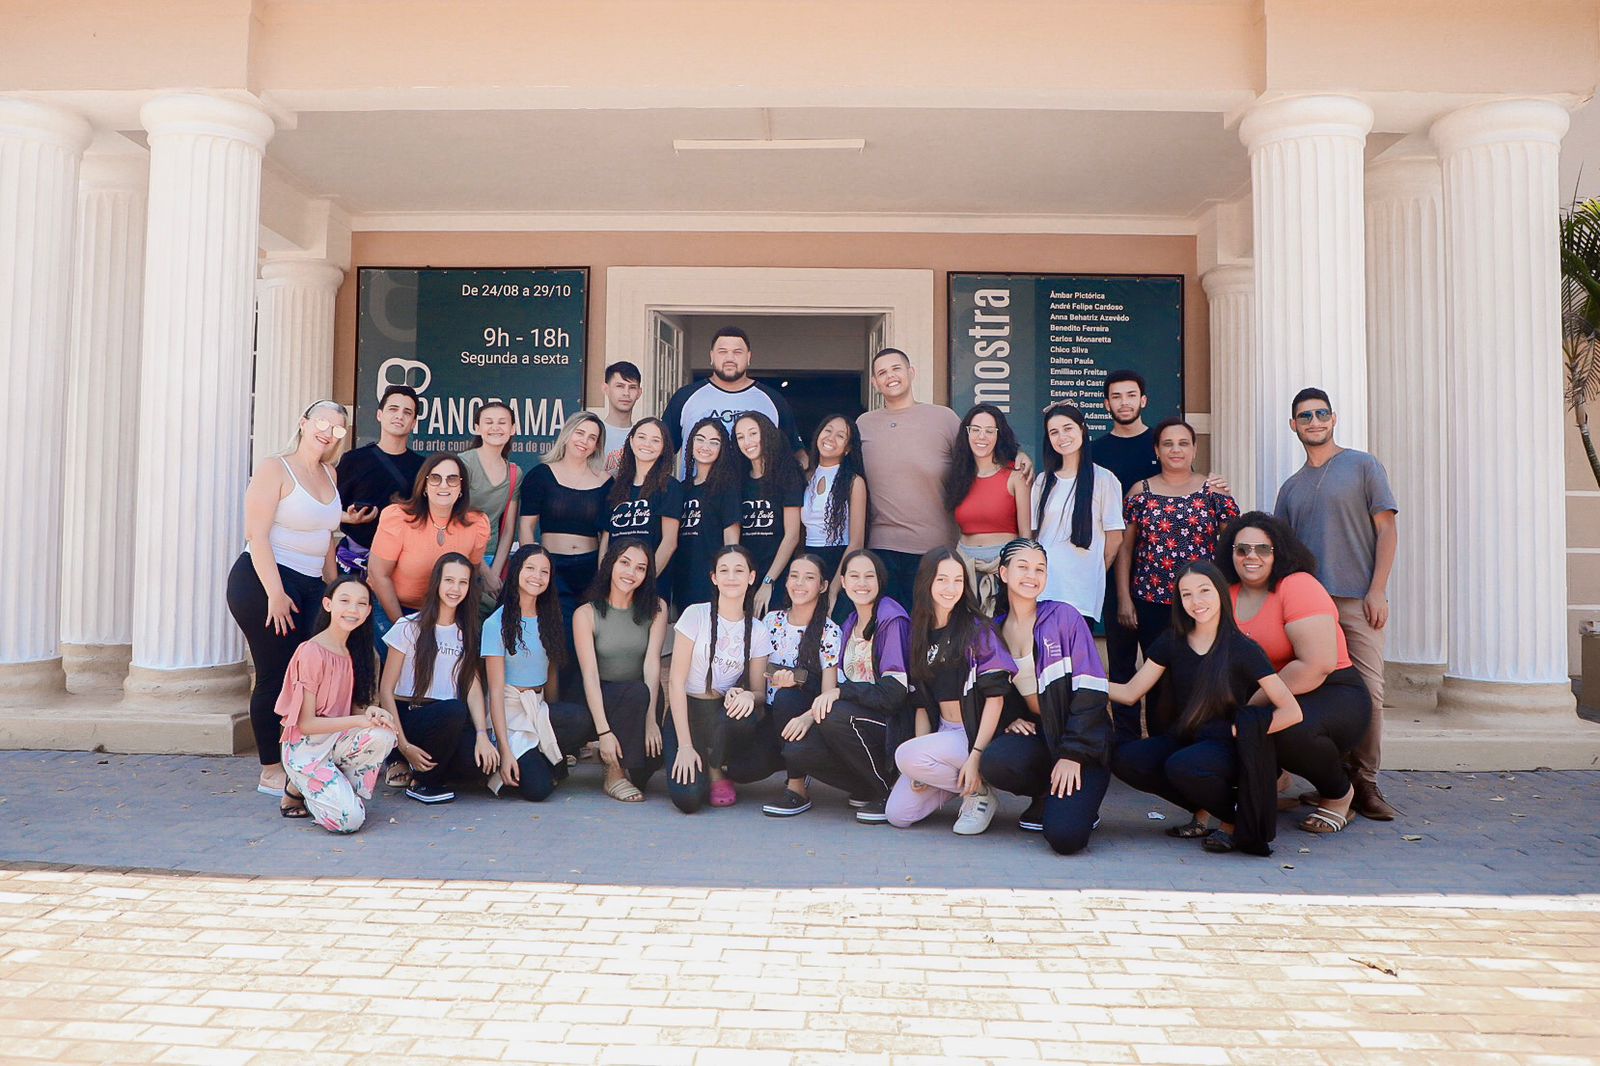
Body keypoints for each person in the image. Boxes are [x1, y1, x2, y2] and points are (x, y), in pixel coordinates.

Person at [1109, 562, 1303, 855]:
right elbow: (1130, 692)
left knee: (1183, 766)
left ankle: (1234, 818)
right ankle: (1207, 808)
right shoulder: (1172, 641)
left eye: (1204, 591)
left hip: (1227, 744)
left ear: (1221, 594)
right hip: (1187, 738)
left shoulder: (1243, 649)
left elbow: (1292, 711)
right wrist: (1081, 681)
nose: (1196, 602)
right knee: (1126, 758)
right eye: (1186, 595)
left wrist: (1245, 730)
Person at [1273, 387, 1400, 821]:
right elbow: (1282, 557)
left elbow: (1386, 530)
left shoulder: (1363, 465)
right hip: (1308, 611)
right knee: (1311, 690)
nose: (1313, 421)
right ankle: (1331, 780)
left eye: (1320, 413)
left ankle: (1366, 781)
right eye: (1304, 416)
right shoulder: (1290, 488)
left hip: (1356, 601)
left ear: (1333, 418)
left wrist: (1377, 589)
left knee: (1370, 691)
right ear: (1294, 425)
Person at [1216, 513, 1372, 834]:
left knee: (1285, 726)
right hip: (1273, 691)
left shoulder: (1297, 586)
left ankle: (1339, 794)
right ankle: (1273, 778)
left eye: (1263, 549)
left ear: (1279, 552)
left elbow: (1317, 665)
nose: (1251, 557)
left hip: (1332, 692)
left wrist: (1253, 706)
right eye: (1242, 549)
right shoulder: (1225, 594)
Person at [226, 400, 348, 798]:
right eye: (322, 422)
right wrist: (275, 594)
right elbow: (256, 535)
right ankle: (271, 769)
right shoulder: (274, 468)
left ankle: (302, 757)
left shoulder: (330, 474)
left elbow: (326, 539)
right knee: (275, 676)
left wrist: (336, 590)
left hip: (313, 587)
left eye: (338, 427)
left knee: (307, 677)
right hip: (265, 581)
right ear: (304, 423)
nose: (328, 431)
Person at [979, 539, 1114, 855]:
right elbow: (993, 691)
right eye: (1022, 567)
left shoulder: (1063, 617)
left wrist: (1074, 753)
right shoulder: (994, 631)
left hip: (1083, 743)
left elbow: (1092, 689)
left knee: (1065, 838)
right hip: (1042, 737)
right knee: (996, 760)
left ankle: (1077, 806)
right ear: (1003, 573)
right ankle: (1045, 793)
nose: (1032, 575)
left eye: (1040, 568)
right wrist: (1011, 717)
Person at [1115, 418, 1240, 734]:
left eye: (1183, 443)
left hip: (1202, 605)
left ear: (1194, 449)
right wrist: (1124, 599)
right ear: (1156, 449)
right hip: (1151, 601)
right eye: (1168, 443)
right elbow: (1125, 551)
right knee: (1157, 676)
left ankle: (1201, 743)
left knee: (1201, 672)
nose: (1175, 449)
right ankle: (1160, 744)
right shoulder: (1139, 493)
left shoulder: (1214, 492)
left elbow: (1233, 546)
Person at [885, 548, 1017, 834]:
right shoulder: (917, 633)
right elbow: (920, 703)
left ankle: (979, 792)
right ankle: (960, 786)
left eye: (958, 580)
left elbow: (995, 699)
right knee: (898, 814)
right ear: (927, 583)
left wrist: (976, 755)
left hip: (973, 733)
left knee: (905, 755)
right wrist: (921, 766)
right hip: (942, 736)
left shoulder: (977, 629)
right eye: (942, 579)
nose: (950, 588)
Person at [780, 548, 911, 824]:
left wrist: (841, 693)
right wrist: (807, 716)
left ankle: (886, 790)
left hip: (892, 723)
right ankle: (864, 784)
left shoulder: (890, 618)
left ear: (880, 580)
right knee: (797, 750)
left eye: (868, 576)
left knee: (836, 715)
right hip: (858, 718)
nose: (861, 583)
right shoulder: (851, 621)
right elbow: (837, 684)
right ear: (843, 581)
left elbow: (895, 693)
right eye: (854, 576)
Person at [272, 575, 398, 832]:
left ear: (368, 611)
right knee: (349, 821)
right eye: (345, 601)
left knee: (384, 734)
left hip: (336, 741)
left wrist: (370, 713)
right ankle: (303, 787)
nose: (353, 609)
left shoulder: (361, 652)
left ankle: (334, 791)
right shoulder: (311, 652)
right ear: (328, 604)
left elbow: (356, 712)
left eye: (361, 603)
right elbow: (305, 724)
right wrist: (359, 721)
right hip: (306, 748)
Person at [378, 553, 497, 804]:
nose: (455, 589)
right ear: (437, 583)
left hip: (448, 720)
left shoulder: (467, 632)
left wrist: (482, 735)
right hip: (410, 715)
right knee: (453, 711)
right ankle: (423, 782)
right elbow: (385, 691)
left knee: (479, 765)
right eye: (449, 580)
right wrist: (403, 746)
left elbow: (473, 686)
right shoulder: (408, 627)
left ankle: (425, 769)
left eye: (463, 582)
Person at [664, 546, 773, 813]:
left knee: (743, 714)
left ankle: (715, 768)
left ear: (751, 577)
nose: (731, 577)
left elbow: (760, 693)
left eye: (739, 570)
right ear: (714, 578)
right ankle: (693, 757)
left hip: (721, 713)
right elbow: (676, 682)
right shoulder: (695, 615)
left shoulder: (758, 630)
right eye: (724, 570)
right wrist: (685, 746)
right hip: (688, 710)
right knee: (688, 800)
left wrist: (749, 694)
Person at [483, 546, 595, 802]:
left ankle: (543, 757)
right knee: (539, 790)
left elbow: (551, 672)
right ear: (516, 573)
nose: (537, 576)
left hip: (539, 706)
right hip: (510, 713)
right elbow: (496, 691)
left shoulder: (550, 617)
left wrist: (550, 726)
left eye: (545, 571)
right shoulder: (495, 623)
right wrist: (504, 749)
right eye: (530, 568)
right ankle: (521, 761)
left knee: (578, 718)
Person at [856, 348, 961, 609]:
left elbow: (979, 461)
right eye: (882, 373)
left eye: (896, 369)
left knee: (930, 630)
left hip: (935, 548)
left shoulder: (943, 418)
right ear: (875, 383)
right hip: (881, 547)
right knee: (890, 629)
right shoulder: (863, 424)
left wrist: (1016, 458)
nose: (890, 376)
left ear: (911, 373)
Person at [572, 541, 669, 802]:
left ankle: (627, 765)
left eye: (640, 568)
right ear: (610, 564)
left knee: (648, 765)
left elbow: (651, 665)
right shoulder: (586, 613)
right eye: (624, 563)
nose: (630, 572)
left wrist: (651, 722)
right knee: (634, 693)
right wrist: (603, 733)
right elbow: (589, 676)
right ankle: (613, 773)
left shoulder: (656, 608)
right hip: (603, 694)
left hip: (642, 698)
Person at [749, 556, 843, 817]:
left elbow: (828, 693)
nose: (799, 583)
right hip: (770, 715)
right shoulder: (770, 621)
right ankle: (790, 760)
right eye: (794, 575)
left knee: (787, 698)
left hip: (807, 720)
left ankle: (797, 787)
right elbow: (757, 672)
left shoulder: (829, 631)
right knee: (742, 770)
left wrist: (799, 690)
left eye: (809, 577)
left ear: (823, 586)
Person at [367, 454, 491, 645]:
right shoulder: (399, 518)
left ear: (461, 488)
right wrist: (404, 627)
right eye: (435, 478)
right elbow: (378, 575)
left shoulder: (476, 524)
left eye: (452, 479)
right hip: (393, 608)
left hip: (444, 613)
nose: (443, 485)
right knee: (403, 664)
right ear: (424, 486)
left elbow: (469, 576)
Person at [517, 412, 612, 647]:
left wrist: (602, 574)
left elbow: (606, 535)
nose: (584, 441)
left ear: (597, 445)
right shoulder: (540, 476)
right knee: (562, 635)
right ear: (567, 435)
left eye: (592, 437)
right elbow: (527, 527)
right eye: (580, 433)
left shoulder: (606, 481)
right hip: (552, 566)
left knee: (589, 637)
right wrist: (533, 568)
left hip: (590, 567)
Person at [1030, 403, 1125, 628]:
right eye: (1054, 432)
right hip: (1044, 589)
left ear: (1082, 429)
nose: (1062, 436)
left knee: (1075, 659)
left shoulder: (1104, 479)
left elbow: (1115, 539)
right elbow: (1034, 535)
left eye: (1068, 428)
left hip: (1081, 593)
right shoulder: (1043, 481)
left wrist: (1092, 570)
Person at [661, 325, 802, 468]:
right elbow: (661, 450)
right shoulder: (685, 397)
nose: (730, 358)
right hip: (694, 489)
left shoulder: (772, 400)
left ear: (748, 357)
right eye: (722, 352)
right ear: (711, 356)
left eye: (737, 352)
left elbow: (796, 453)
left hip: (759, 489)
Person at [946, 403, 1032, 613]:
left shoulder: (1015, 475)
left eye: (989, 431)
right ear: (966, 434)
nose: (981, 437)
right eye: (975, 430)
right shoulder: (958, 476)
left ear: (998, 435)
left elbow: (1026, 535)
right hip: (965, 567)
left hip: (1003, 567)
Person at [335, 384, 424, 574]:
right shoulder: (353, 460)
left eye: (407, 412)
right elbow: (326, 512)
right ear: (379, 415)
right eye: (393, 409)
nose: (399, 416)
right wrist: (350, 518)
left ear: (414, 422)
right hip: (355, 564)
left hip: (403, 564)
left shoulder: (423, 467)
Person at [733, 412, 803, 616]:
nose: (747, 441)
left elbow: (792, 536)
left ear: (767, 434)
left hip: (777, 576)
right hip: (744, 578)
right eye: (740, 437)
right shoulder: (738, 480)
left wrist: (768, 581)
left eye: (753, 433)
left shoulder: (786, 475)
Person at [673, 416, 743, 613]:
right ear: (691, 443)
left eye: (714, 442)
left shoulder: (726, 487)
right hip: (682, 578)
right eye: (700, 439)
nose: (706, 446)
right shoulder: (680, 489)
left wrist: (728, 579)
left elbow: (731, 540)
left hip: (712, 580)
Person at [799, 414, 867, 612]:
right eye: (827, 430)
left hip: (840, 561)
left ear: (848, 449)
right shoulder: (806, 477)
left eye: (840, 436)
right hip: (810, 562)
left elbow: (856, 542)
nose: (830, 438)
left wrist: (834, 587)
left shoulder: (854, 482)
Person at [456, 400, 521, 604]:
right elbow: (454, 519)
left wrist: (495, 572)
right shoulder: (463, 464)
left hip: (493, 557)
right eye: (489, 422)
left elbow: (509, 529)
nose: (495, 427)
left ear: (512, 429)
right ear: (477, 428)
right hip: (460, 556)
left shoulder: (514, 473)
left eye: (502, 422)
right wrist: (483, 571)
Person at [601, 417, 682, 575]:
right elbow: (605, 540)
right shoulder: (616, 487)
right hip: (615, 584)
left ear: (663, 447)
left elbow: (669, 542)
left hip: (652, 585)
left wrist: (645, 582)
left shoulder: (670, 486)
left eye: (655, 440)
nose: (647, 444)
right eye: (642, 437)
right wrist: (605, 579)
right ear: (631, 441)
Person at [597, 360, 643, 474]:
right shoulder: (594, 432)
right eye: (620, 386)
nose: (626, 393)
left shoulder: (643, 436)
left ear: (639, 393)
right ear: (605, 389)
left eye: (632, 387)